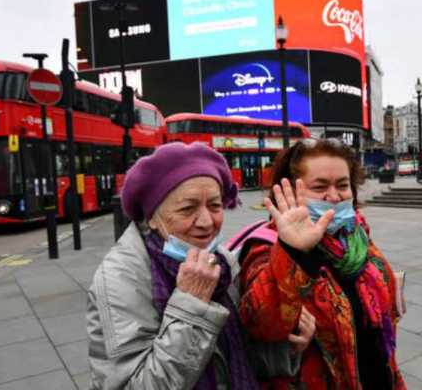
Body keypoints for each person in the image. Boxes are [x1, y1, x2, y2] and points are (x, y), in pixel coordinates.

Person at [86, 142, 308, 390]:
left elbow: (240, 357)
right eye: (187, 208)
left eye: (214, 206)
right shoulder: (121, 280)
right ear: (153, 218)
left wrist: (286, 346)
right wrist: (191, 306)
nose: (206, 222)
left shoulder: (224, 264)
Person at [238, 139, 406, 389]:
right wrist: (295, 252)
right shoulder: (268, 247)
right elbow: (262, 323)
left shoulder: (356, 234)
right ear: (292, 193)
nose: (335, 196)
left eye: (342, 185)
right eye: (320, 187)